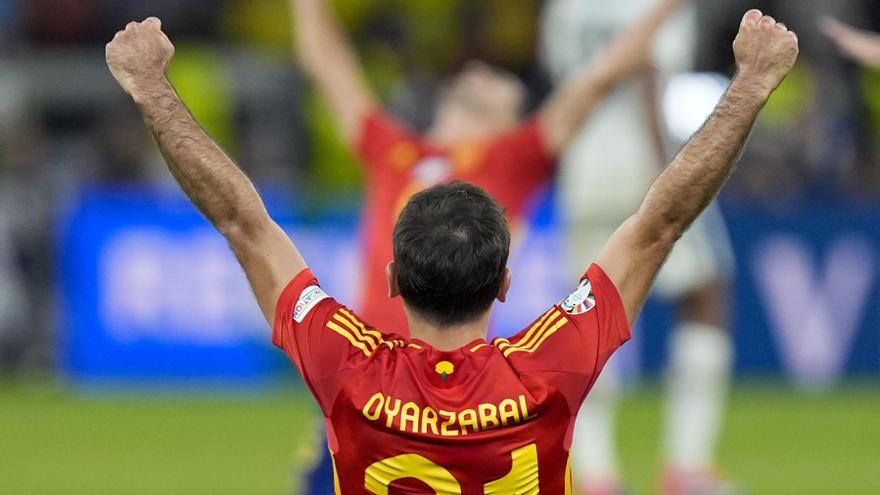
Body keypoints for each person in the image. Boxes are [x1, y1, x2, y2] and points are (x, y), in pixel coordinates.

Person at [106, 9, 797, 492]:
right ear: (504, 282)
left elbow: (241, 219)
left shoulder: (343, 364)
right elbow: (660, 222)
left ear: (390, 277)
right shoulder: (546, 370)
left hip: (364, 414)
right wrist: (750, 85)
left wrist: (152, 90)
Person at [290, 0, 684, 489]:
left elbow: (600, 76)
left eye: (501, 80)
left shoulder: (514, 158)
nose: (482, 72)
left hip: (442, 382)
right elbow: (325, 61)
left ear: (511, 118)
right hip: (366, 380)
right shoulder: (392, 149)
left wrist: (667, 9)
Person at [540, 1, 736, 493]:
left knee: (584, 317)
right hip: (642, 169)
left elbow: (566, 82)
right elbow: (652, 76)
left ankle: (595, 474)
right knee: (705, 295)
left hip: (583, 172)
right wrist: (665, 174)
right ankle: (685, 467)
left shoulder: (566, 8)